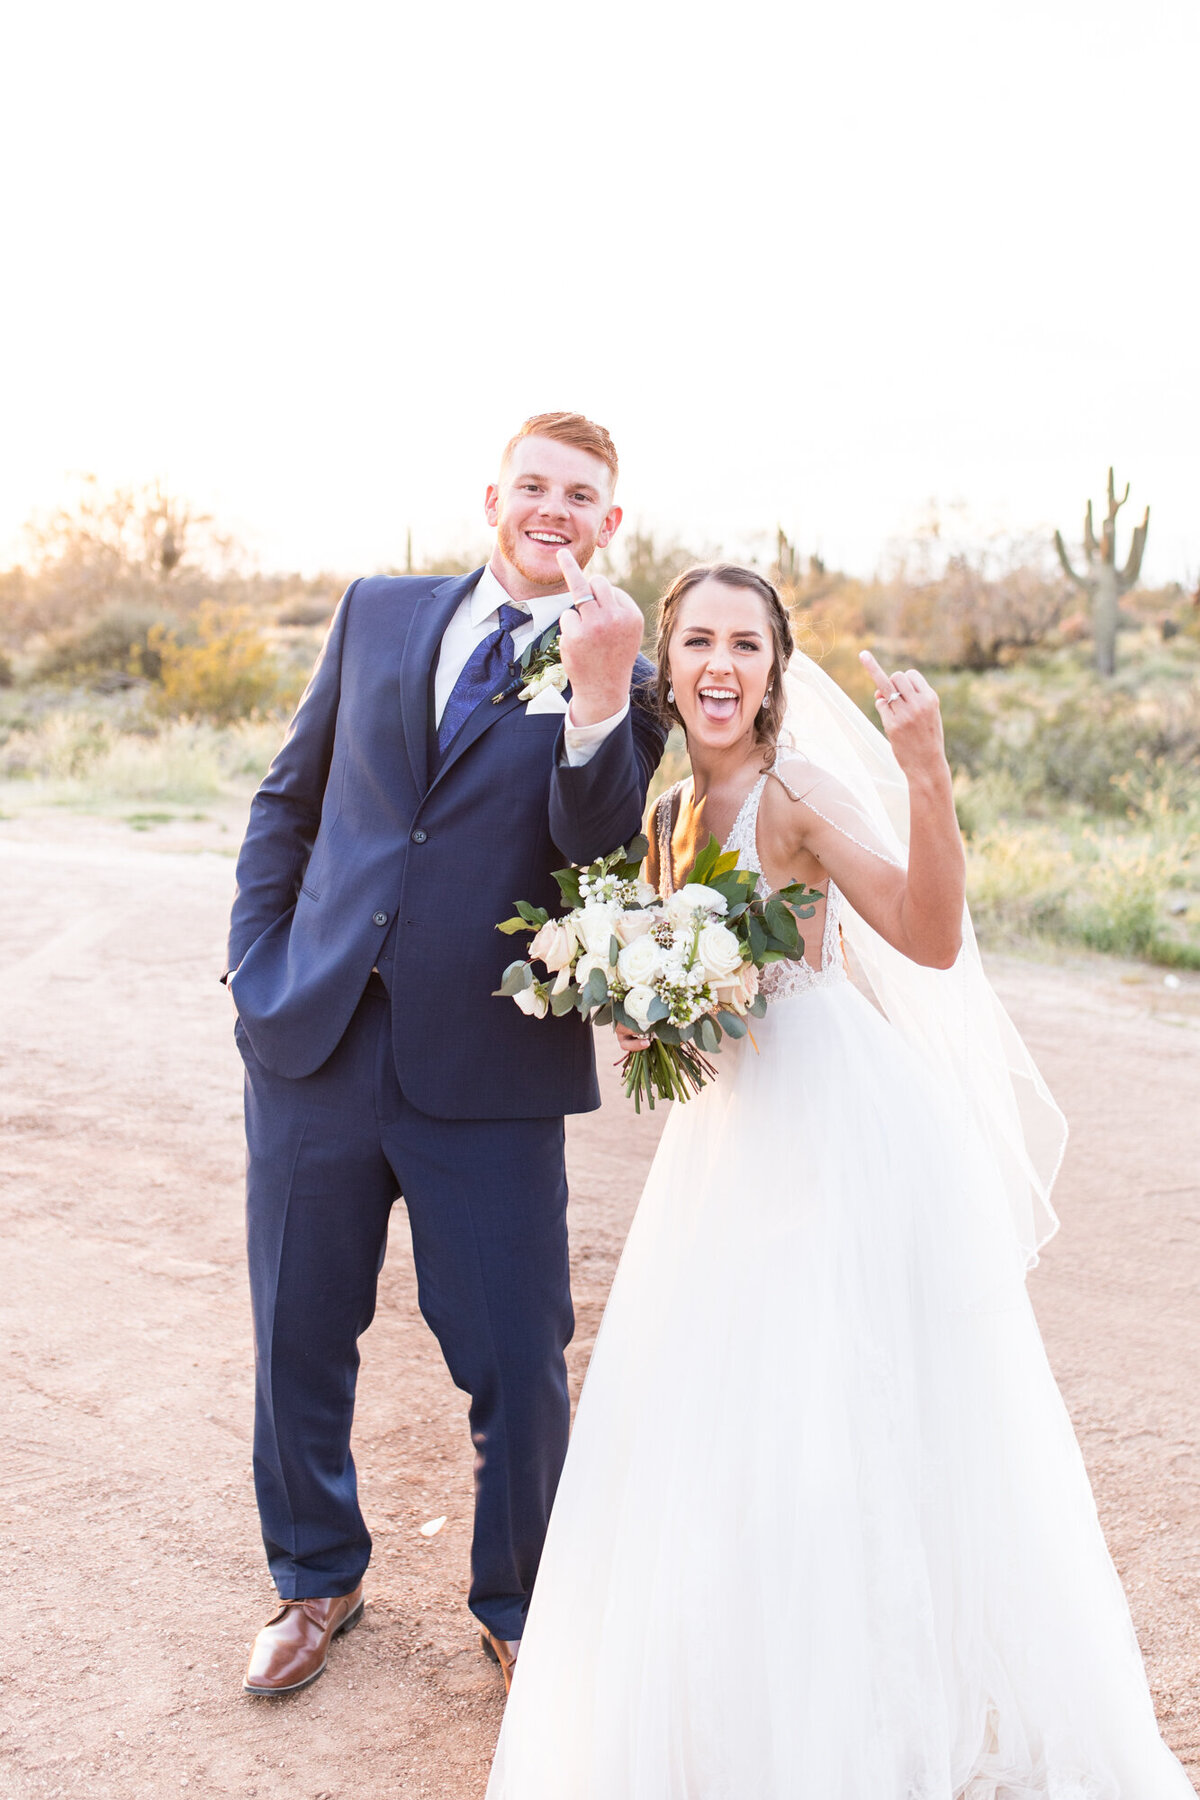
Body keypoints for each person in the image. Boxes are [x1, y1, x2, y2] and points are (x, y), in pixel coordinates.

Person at [486, 564, 1196, 1796]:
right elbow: (694, 1012)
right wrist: (651, 1012)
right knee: (719, 1434)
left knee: (831, 1426)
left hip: (830, 1133)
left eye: (744, 645)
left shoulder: (796, 791)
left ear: (772, 670)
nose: (720, 664)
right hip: (723, 1145)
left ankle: (863, 1735)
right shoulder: (661, 818)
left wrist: (926, 770)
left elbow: (924, 936)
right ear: (669, 660)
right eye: (697, 640)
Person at [224, 412, 666, 1697]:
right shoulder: (376, 611)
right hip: (314, 1041)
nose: (553, 508)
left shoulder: (617, 671)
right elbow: (289, 802)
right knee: (296, 1332)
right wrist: (258, 974)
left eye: (580, 496)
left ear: (609, 524)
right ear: (493, 496)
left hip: (489, 1063)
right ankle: (313, 1581)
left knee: (516, 1357)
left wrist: (594, 696)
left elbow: (594, 857)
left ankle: (520, 1601)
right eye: (534, 484)